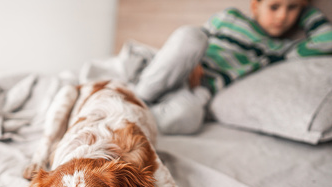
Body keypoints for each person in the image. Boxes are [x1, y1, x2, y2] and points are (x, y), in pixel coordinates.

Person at [135, 0, 332, 135]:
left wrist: (306, 10)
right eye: (274, 6)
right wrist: (193, 61)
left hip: (201, 89)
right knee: (191, 36)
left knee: (189, 116)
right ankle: (138, 97)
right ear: (256, 5)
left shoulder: (281, 49)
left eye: (292, 8)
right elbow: (187, 44)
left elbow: (327, 40)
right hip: (181, 68)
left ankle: (136, 118)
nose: (282, 16)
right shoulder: (230, 17)